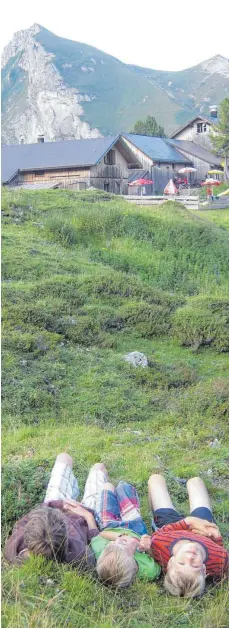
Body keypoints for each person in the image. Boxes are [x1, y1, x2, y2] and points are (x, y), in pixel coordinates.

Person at [4, 453, 105, 568]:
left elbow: (32, 516)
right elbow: (95, 542)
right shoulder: (78, 555)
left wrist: (61, 504)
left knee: (64, 458)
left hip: (57, 504)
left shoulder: (15, 547)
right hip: (87, 514)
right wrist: (87, 515)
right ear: (66, 536)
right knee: (98, 468)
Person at [138, 474, 228, 598]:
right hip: (203, 532)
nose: (189, 557)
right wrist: (216, 537)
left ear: (170, 562)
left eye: (181, 563)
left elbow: (159, 534)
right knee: (195, 481)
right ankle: (190, 481)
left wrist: (188, 521)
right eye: (194, 565)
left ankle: (154, 509)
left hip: (170, 526)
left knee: (155, 479)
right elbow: (220, 550)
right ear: (203, 570)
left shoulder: (159, 546)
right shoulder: (220, 561)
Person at [91, 478, 160, 587]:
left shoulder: (102, 553)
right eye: (123, 544)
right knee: (124, 487)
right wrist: (148, 548)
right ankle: (123, 488)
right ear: (133, 561)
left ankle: (111, 487)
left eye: (113, 544)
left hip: (110, 525)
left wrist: (120, 536)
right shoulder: (148, 570)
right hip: (135, 528)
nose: (118, 541)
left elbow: (102, 534)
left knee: (107, 487)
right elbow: (156, 562)